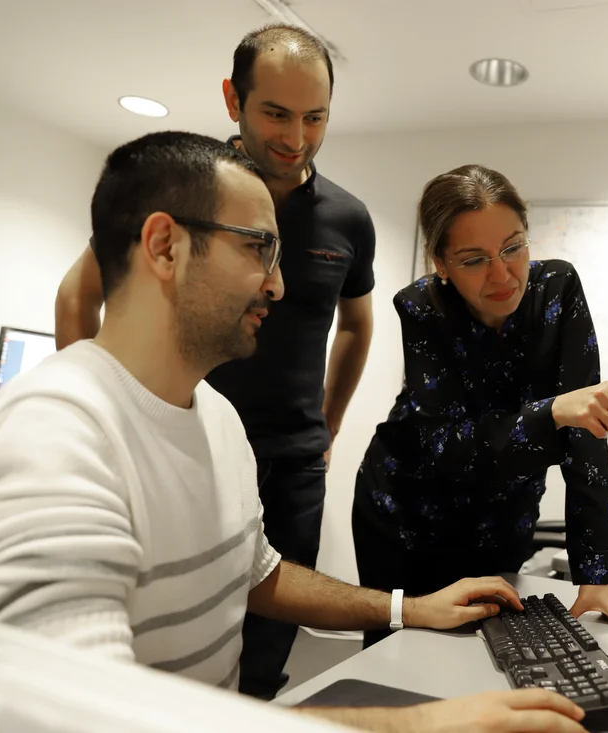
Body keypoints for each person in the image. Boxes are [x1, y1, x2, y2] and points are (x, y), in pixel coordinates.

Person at [0, 132, 589, 733]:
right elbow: (73, 715)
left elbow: (259, 574)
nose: (278, 285)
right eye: (258, 248)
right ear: (165, 246)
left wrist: (406, 609)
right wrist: (419, 723)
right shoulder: (54, 434)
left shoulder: (217, 418)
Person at [54, 24, 375, 699]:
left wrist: (330, 421)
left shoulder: (349, 218)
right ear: (234, 99)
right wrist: (98, 409)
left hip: (290, 462)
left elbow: (356, 323)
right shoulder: (185, 188)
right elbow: (79, 292)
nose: (297, 137)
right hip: (182, 444)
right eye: (276, 113)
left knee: (258, 663)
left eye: (315, 118)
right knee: (156, 642)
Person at [352, 164, 608, 648]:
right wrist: (555, 411)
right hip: (407, 514)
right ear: (441, 263)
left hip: (504, 517)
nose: (502, 275)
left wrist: (596, 575)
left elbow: (586, 435)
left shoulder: (557, 290)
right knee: (398, 660)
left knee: (497, 654)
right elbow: (448, 447)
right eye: (474, 260)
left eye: (513, 248)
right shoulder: (421, 307)